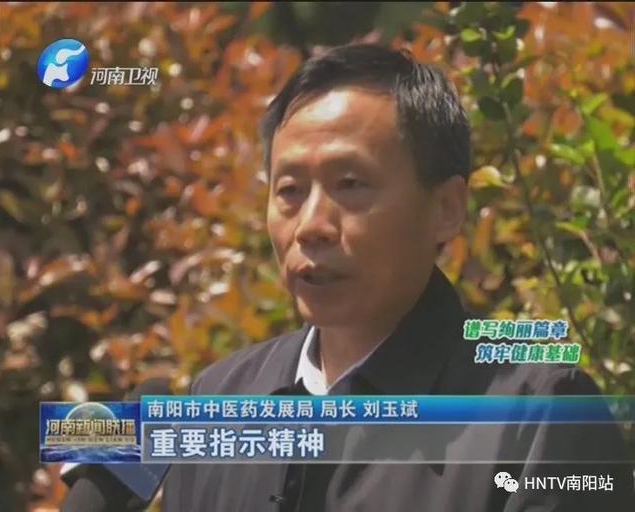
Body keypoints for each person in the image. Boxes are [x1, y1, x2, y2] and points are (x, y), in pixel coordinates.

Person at [162, 44, 633, 512]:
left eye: (350, 185)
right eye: (290, 190)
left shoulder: (539, 416)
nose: (311, 225)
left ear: (446, 208)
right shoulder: (217, 402)